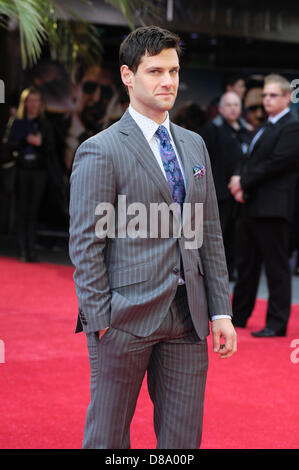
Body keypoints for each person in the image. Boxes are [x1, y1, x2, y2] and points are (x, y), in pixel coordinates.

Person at [69, 25, 236, 449]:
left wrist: (221, 312)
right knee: (108, 438)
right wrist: (99, 321)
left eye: (174, 71)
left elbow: (209, 232)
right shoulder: (101, 149)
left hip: (188, 317)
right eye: (155, 71)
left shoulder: (195, 145)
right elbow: (86, 243)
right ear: (128, 75)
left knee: (182, 442)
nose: (168, 82)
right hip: (123, 319)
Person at [229, 74, 299, 337]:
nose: (266, 100)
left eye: (272, 95)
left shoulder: (291, 127)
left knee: (276, 267)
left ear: (285, 98)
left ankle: (277, 323)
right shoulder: (262, 127)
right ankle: (240, 316)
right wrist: (238, 179)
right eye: (265, 95)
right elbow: (246, 157)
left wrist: (242, 182)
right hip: (250, 205)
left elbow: (277, 164)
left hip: (273, 207)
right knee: (246, 264)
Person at [200, 91, 252, 279]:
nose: (232, 108)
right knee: (217, 233)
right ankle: (213, 271)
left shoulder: (245, 130)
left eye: (236, 105)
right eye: (228, 105)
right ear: (220, 108)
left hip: (239, 193)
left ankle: (230, 269)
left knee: (235, 235)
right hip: (218, 192)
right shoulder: (212, 129)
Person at [6, 87, 55, 262]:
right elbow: (8, 146)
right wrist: (23, 140)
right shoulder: (16, 122)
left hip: (39, 172)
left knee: (34, 210)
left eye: (36, 101)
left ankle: (32, 248)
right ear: (25, 103)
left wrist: (40, 143)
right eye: (30, 101)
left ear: (40, 104)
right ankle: (22, 249)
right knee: (22, 209)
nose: (33, 104)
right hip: (21, 170)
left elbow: (51, 150)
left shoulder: (45, 124)